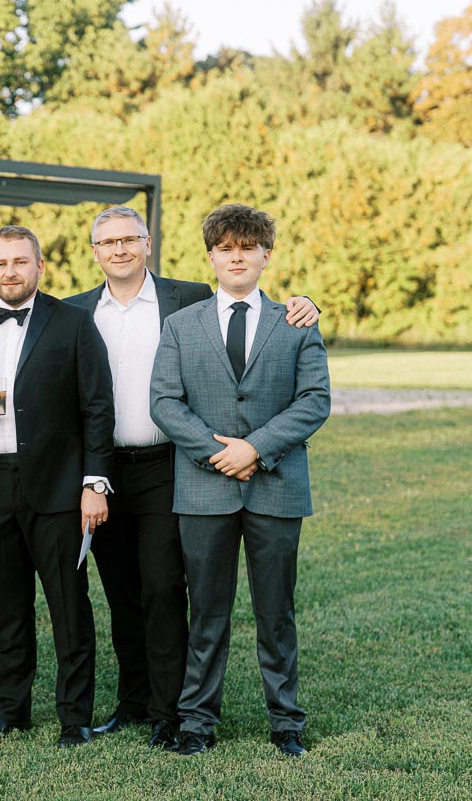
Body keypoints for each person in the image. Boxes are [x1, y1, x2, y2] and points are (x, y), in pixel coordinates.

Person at [0, 206, 319, 750]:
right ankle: (133, 700)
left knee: (162, 587)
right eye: (107, 242)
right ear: (94, 252)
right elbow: (21, 318)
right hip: (99, 470)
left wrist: (306, 303)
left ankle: (168, 710)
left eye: (129, 239)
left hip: (167, 465)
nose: (120, 249)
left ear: (148, 243)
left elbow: (248, 304)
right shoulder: (75, 311)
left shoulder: (189, 297)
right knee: (120, 591)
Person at [149, 203, 330, 758]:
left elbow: (315, 400)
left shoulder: (296, 321)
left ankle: (286, 722)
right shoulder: (182, 325)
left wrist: (256, 448)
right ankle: (198, 724)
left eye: (247, 248)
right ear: (210, 256)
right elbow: (164, 402)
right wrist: (217, 453)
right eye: (226, 248)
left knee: (277, 612)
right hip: (205, 489)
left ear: (265, 256)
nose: (236, 257)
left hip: (277, 487)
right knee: (206, 612)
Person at [0, 225, 114, 749]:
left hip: (59, 487)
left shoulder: (75, 324)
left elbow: (98, 407)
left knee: (69, 606)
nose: (11, 271)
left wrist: (94, 483)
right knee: (6, 608)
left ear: (40, 267)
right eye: (1, 263)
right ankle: (11, 712)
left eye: (21, 261)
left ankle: (74, 718)